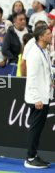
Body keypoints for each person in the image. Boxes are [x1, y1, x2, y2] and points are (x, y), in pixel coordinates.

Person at [24, 25, 53, 169]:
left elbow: (46, 71)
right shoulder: (34, 53)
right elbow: (32, 77)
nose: (51, 35)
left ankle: (34, 155)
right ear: (41, 37)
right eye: (48, 33)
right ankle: (30, 158)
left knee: (38, 128)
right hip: (38, 98)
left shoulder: (44, 51)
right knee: (35, 129)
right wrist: (36, 98)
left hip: (44, 95)